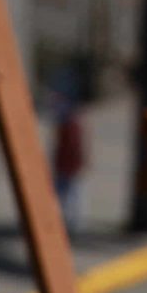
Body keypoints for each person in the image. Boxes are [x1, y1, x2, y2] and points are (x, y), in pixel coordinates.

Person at [51, 96, 87, 236]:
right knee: (64, 196)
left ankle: (71, 224)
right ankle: (63, 222)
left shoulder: (72, 126)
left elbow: (75, 148)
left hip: (70, 167)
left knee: (71, 197)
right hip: (64, 166)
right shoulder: (67, 126)